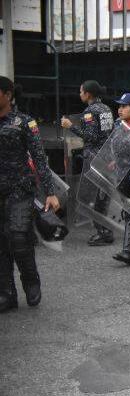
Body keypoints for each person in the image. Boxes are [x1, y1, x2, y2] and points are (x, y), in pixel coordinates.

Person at [0, 76, 61, 312]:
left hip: (20, 190)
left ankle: (31, 282)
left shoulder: (24, 122)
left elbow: (39, 159)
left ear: (7, 94)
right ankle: (6, 293)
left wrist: (50, 192)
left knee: (18, 237)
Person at [60, 80, 115, 246]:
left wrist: (70, 126)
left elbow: (90, 136)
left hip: (94, 158)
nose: (80, 94)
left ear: (88, 94)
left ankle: (104, 232)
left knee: (92, 197)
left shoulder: (90, 112)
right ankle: (106, 230)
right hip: (107, 156)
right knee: (102, 195)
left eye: (81, 91)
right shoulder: (106, 109)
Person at [111, 93, 130, 266]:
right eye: (119, 106)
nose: (120, 109)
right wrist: (112, 159)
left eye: (124, 106)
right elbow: (113, 145)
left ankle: (128, 251)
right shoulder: (117, 124)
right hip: (122, 175)